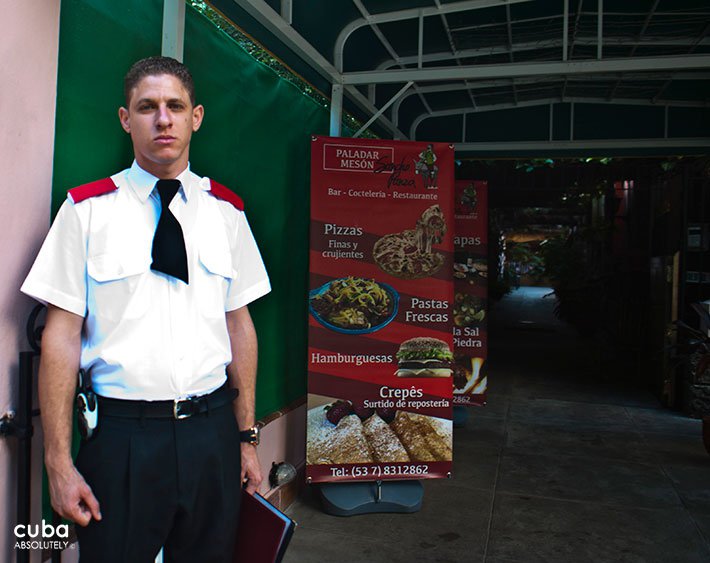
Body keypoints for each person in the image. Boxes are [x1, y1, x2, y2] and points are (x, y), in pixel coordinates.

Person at [21, 56, 271, 562]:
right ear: (124, 118)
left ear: (195, 117)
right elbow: (61, 337)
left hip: (211, 433)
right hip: (122, 440)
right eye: (148, 107)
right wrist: (58, 463)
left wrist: (245, 438)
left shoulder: (227, 213)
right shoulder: (87, 211)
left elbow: (238, 325)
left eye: (175, 106)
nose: (163, 119)